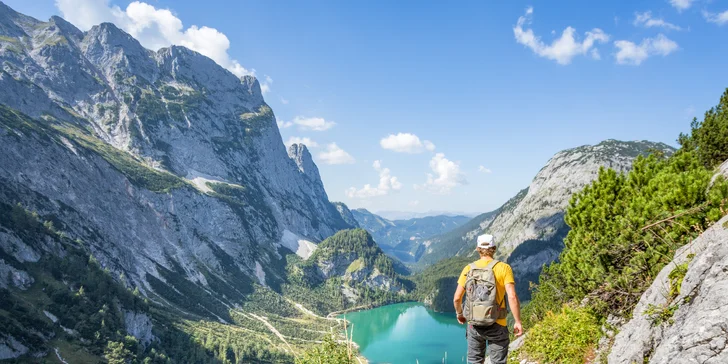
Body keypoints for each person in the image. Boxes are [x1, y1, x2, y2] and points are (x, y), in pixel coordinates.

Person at [453, 233, 523, 364]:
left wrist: (460, 314)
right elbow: (512, 296)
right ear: (494, 248)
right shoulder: (504, 268)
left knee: (474, 361)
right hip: (497, 323)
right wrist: (517, 321)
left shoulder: (468, 269)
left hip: (474, 325)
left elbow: (457, 298)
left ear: (477, 249)